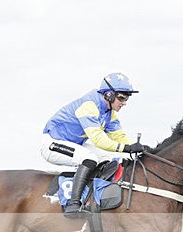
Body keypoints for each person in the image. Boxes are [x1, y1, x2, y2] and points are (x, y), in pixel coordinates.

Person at [40, 72, 149, 218]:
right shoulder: (89, 106)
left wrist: (140, 148)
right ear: (109, 95)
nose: (124, 102)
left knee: (107, 159)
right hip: (53, 144)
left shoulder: (109, 112)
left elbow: (119, 136)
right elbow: (98, 140)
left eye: (127, 98)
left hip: (72, 144)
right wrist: (127, 149)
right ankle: (73, 204)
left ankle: (92, 198)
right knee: (89, 159)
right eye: (121, 98)